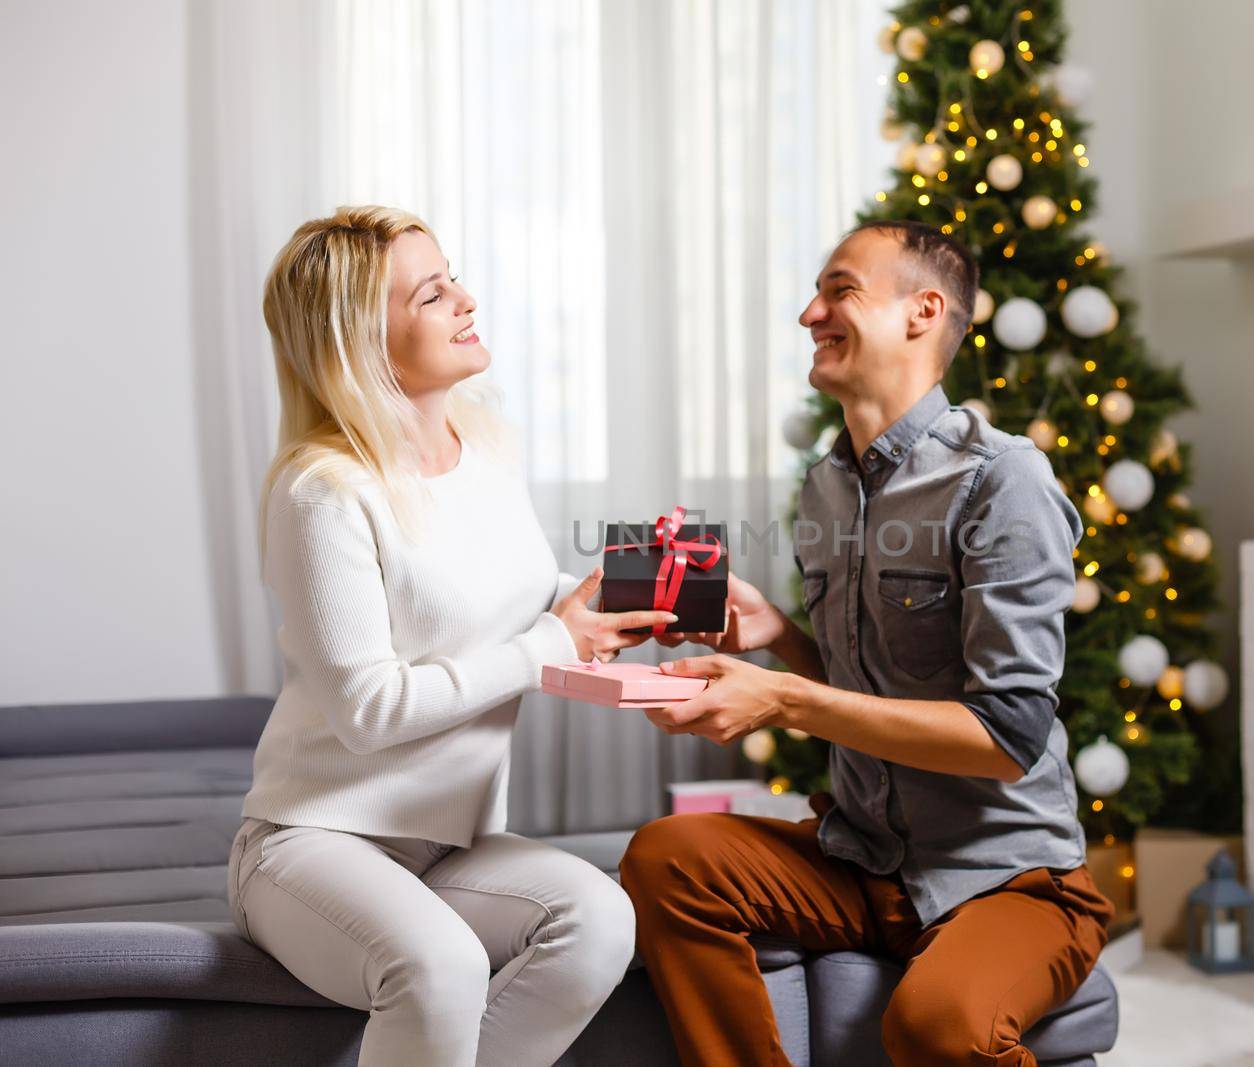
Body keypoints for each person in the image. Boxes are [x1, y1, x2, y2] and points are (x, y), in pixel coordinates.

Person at [620, 219, 1113, 1067]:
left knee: (935, 1027)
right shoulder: (825, 485)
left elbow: (1007, 739)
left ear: (924, 310)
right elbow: (871, 685)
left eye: (839, 289)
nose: (811, 312)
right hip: (862, 859)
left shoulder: (1001, 480)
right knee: (669, 857)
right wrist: (780, 640)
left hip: (1006, 877)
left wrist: (781, 698)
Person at [228, 206, 674, 1067]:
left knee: (599, 919)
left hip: (445, 846)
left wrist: (609, 603)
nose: (467, 300)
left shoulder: (486, 451)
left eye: (451, 278)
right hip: (312, 843)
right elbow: (368, 708)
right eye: (433, 294)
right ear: (360, 338)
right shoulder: (324, 492)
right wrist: (552, 640)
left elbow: (515, 609)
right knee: (438, 965)